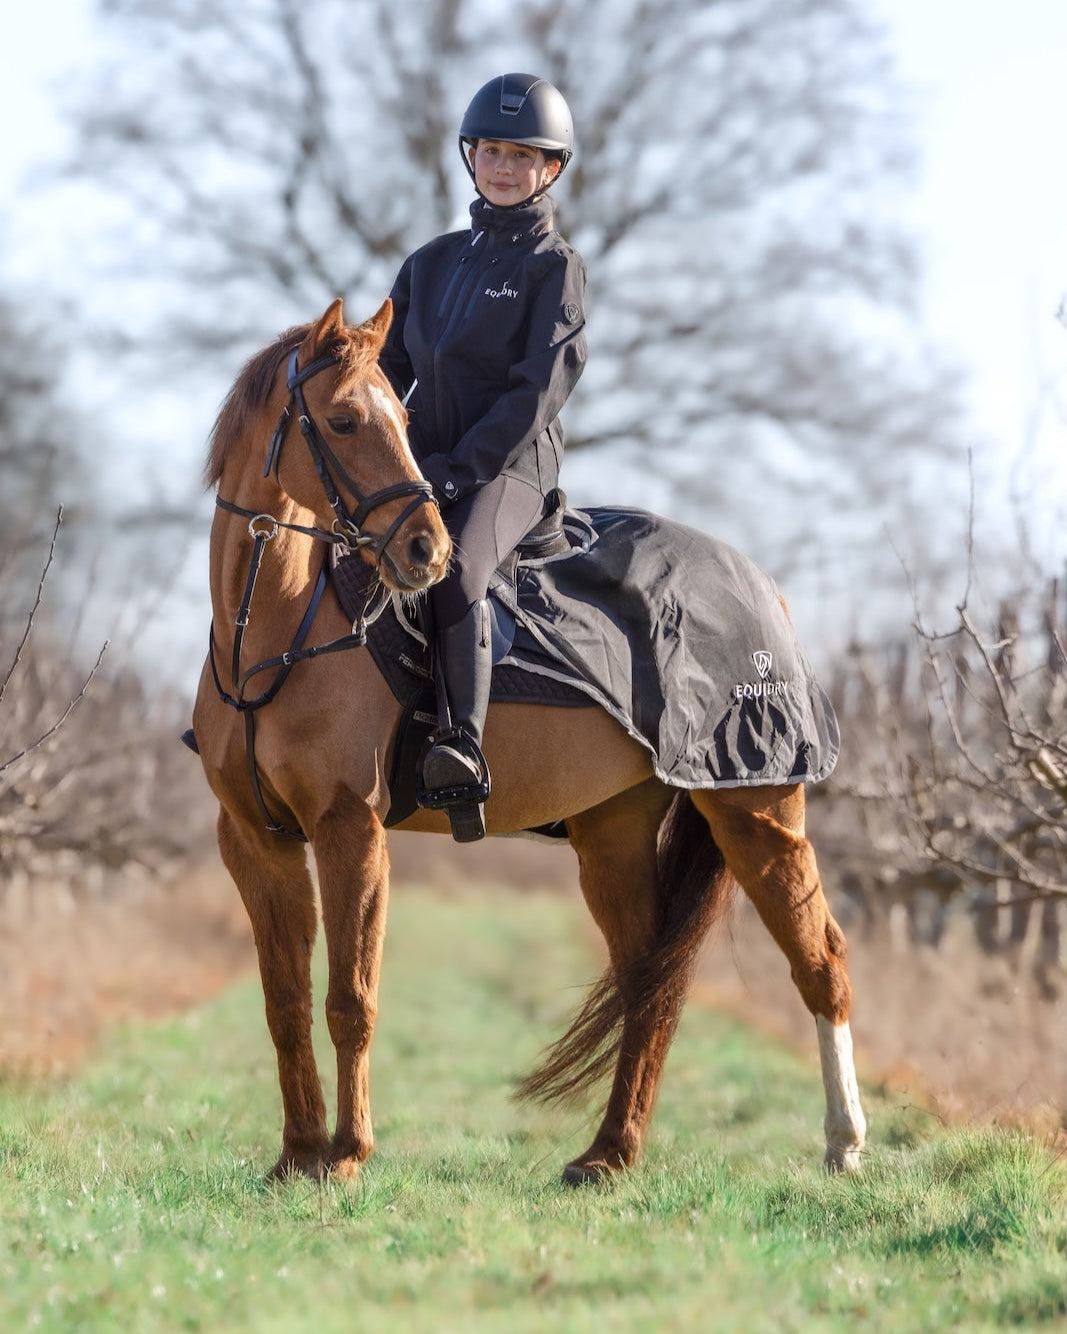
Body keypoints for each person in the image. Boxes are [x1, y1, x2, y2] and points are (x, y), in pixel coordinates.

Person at [379, 73, 587, 842]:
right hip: (423, 461)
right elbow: (385, 372)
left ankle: (460, 745)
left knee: (457, 567)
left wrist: (457, 470)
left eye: (521, 154)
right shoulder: (429, 265)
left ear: (550, 168)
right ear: (471, 157)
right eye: (491, 150)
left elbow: (537, 392)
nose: (503, 166)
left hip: (509, 470)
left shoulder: (554, 268)